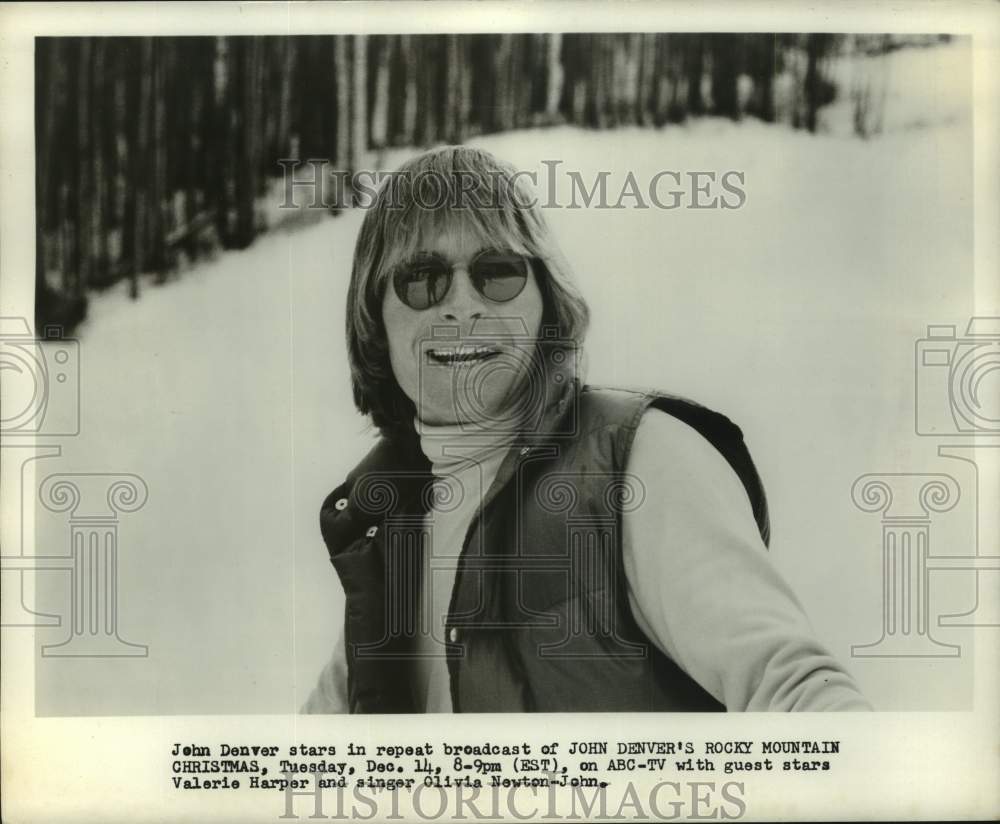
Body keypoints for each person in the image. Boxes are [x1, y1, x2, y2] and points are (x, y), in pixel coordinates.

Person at [303, 145, 871, 713]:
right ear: (373, 316)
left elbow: (801, 694)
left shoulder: (639, 463)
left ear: (545, 300)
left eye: (497, 272)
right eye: (422, 279)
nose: (463, 307)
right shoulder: (386, 532)